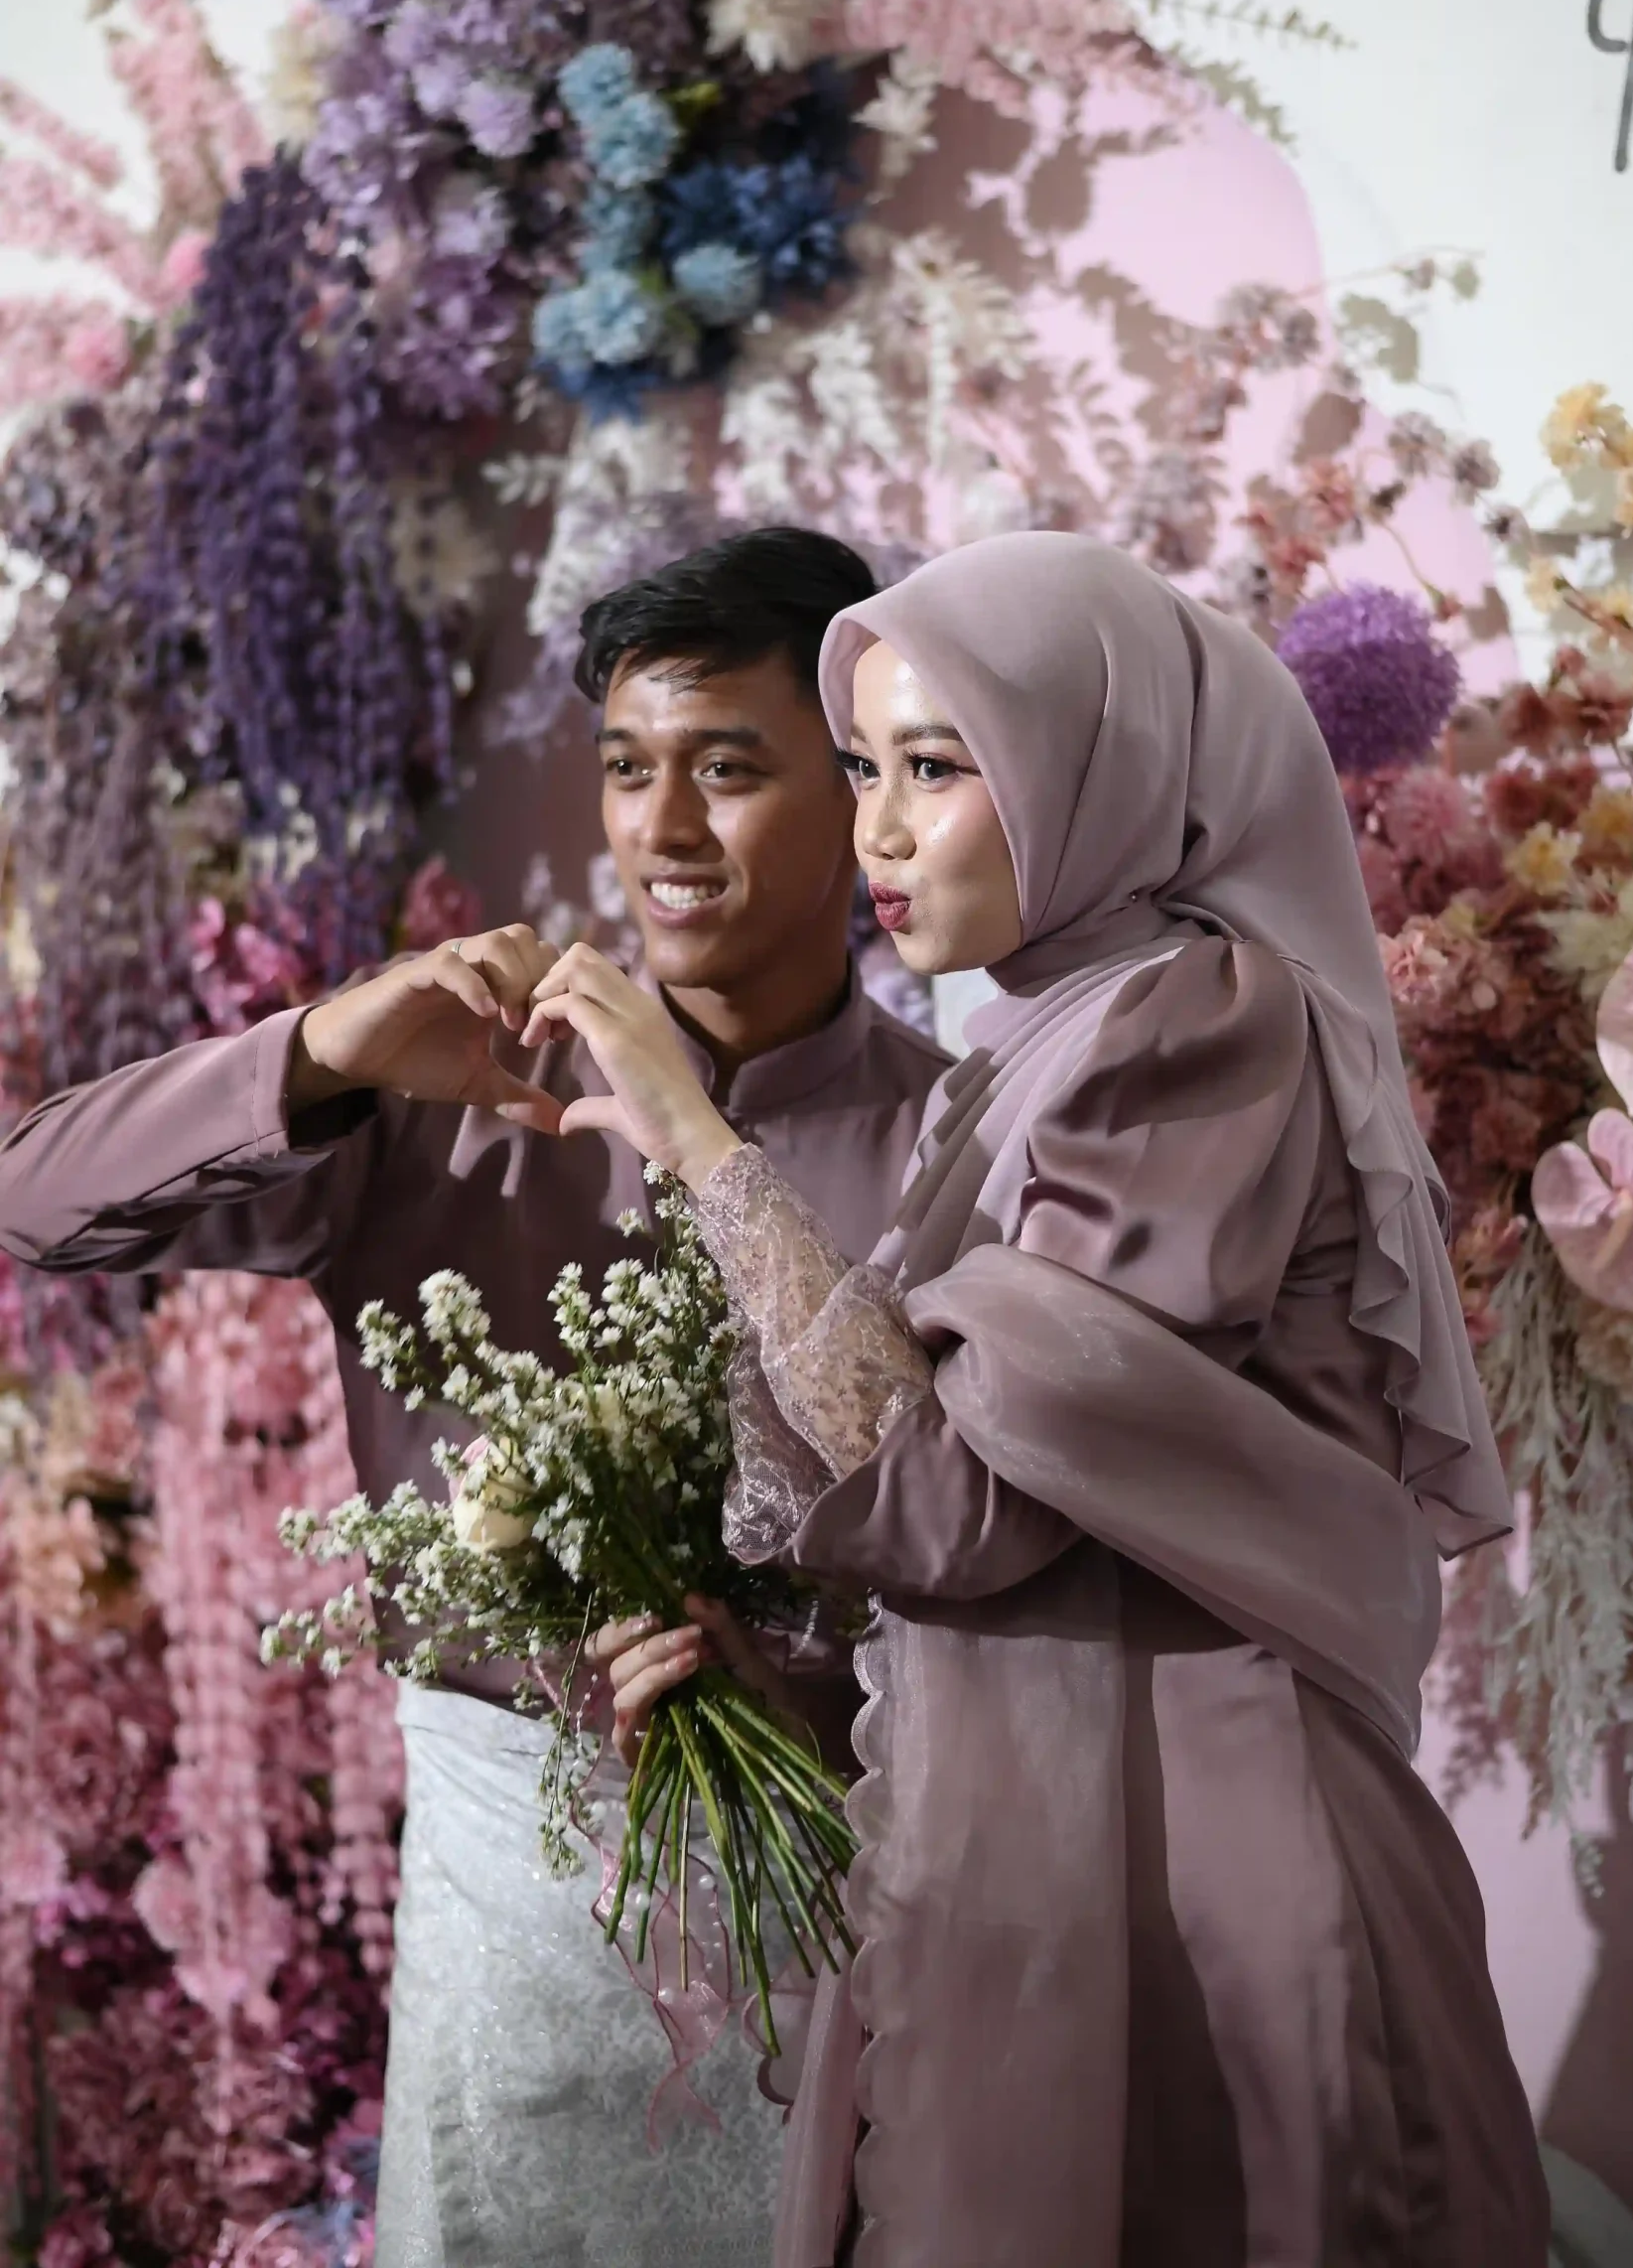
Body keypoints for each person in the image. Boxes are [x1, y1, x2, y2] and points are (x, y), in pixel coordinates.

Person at [530, 532, 1552, 2267]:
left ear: (1101, 765)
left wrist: (698, 1143)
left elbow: (965, 1499)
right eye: (864, 767)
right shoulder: (1032, 1042)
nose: (877, 830)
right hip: (1035, 1832)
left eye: (937, 767)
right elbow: (937, 1501)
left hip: (1189, 1854)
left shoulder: (1198, 1022)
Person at [0, 528, 946, 2268]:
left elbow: (992, 1540)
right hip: (506, 1922)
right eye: (628, 769)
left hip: (847, 1912)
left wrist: (801, 1699)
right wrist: (325, 1050)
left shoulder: (955, 1140)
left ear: (859, 786)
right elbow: (36, 1200)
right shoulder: (459, 1081)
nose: (663, 831)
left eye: (730, 769)